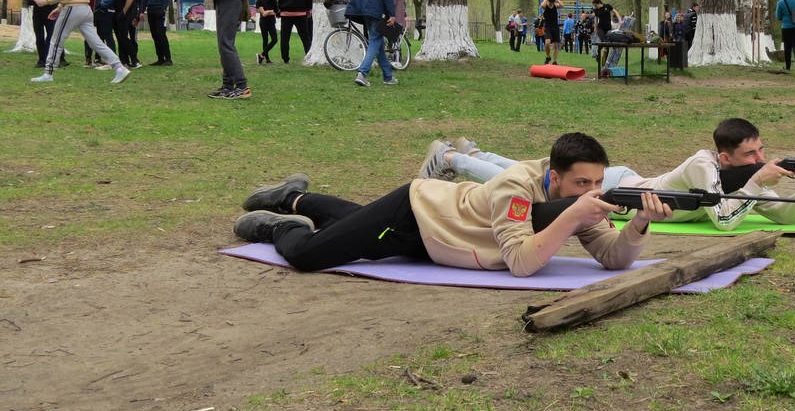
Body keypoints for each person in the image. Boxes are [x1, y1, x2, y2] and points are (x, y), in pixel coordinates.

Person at [234, 133, 673, 278]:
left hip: (441, 239)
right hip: (418, 214)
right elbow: (521, 263)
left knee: (351, 222)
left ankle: (292, 195)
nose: (590, 191)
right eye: (581, 183)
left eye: (597, 183)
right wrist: (574, 215)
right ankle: (279, 225)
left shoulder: (574, 199)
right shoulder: (516, 185)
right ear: (554, 177)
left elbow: (614, 259)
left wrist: (638, 224)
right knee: (310, 255)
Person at [419, 118, 795, 232]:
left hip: (631, 178)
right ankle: (452, 157)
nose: (761, 158)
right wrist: (757, 181)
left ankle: (476, 153)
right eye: (751, 154)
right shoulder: (702, 165)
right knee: (532, 179)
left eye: (762, 151)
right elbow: (724, 219)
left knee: (536, 172)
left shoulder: (739, 181)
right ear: (725, 158)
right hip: (620, 187)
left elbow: (783, 216)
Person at [271, 0, 313, 64]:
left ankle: (285, 59)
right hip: (301, 13)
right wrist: (308, 9)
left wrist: (277, 11)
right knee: (305, 37)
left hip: (285, 14)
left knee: (285, 38)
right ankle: (309, 57)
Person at [142, 0, 173, 65]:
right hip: (150, 10)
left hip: (160, 11)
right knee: (154, 35)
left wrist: (163, 8)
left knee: (161, 34)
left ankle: (168, 59)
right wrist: (141, 11)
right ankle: (160, 59)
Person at [110, 0, 140, 69]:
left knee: (123, 37)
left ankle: (135, 60)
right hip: (117, 13)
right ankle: (124, 61)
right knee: (119, 37)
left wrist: (124, 11)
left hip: (125, 14)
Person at [27, 0, 56, 69]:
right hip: (37, 15)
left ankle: (49, 58)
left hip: (49, 14)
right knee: (39, 37)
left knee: (50, 36)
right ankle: (41, 60)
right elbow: (29, 1)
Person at [255, 0, 278, 64]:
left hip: (271, 22)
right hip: (263, 23)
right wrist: (270, 11)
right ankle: (267, 59)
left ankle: (261, 55)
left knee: (274, 40)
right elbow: (263, 14)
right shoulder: (259, 1)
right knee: (265, 40)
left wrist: (268, 11)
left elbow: (276, 12)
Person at [541, 0, 562, 64]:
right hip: (548, 28)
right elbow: (542, 5)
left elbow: (562, 5)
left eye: (552, 2)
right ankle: (548, 56)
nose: (551, 4)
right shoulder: (546, 7)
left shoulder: (555, 6)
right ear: (548, 1)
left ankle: (555, 61)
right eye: (550, 2)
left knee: (556, 45)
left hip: (555, 27)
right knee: (547, 43)